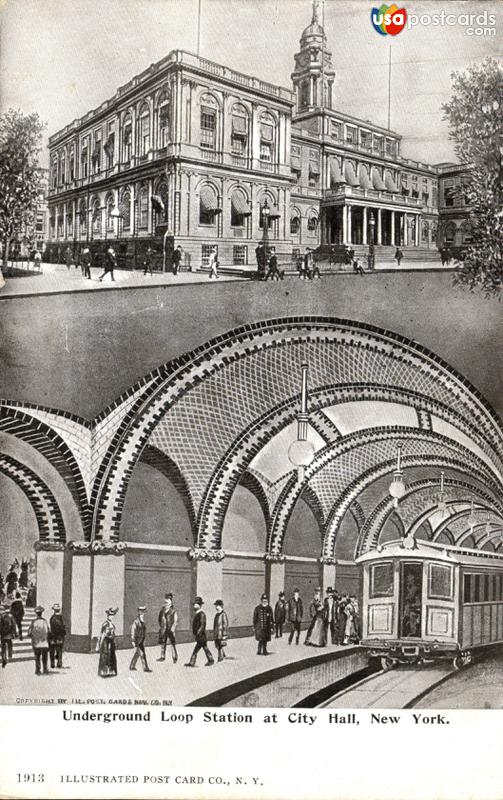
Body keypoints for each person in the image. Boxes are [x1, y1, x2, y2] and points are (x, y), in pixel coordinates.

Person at [186, 597, 214, 667]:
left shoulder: (201, 614)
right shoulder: (198, 614)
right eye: (194, 604)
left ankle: (192, 662)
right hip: (201, 636)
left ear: (199, 605)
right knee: (205, 648)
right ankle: (211, 660)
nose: (194, 606)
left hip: (201, 636)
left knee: (197, 650)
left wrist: (198, 634)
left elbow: (202, 626)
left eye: (195, 604)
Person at [28, 605, 50, 675]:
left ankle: (38, 670)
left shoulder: (33, 622)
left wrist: (33, 636)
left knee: (37, 657)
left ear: (36, 613)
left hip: (36, 642)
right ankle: (45, 669)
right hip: (44, 642)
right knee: (45, 657)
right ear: (41, 613)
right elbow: (48, 631)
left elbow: (29, 632)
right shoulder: (45, 621)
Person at [97, 607, 118, 677]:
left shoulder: (113, 625)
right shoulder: (105, 624)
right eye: (110, 615)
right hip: (105, 642)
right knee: (105, 656)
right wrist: (99, 645)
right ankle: (104, 671)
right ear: (108, 616)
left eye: (112, 616)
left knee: (111, 656)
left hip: (111, 642)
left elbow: (113, 634)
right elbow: (102, 635)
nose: (111, 617)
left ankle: (111, 671)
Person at [130, 606, 152, 672]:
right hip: (137, 640)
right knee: (142, 654)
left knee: (137, 654)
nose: (142, 614)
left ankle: (132, 666)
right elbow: (132, 631)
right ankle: (145, 668)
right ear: (139, 613)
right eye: (141, 612)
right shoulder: (136, 622)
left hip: (141, 641)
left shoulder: (143, 622)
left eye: (143, 612)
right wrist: (133, 640)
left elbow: (144, 631)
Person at [157, 593, 178, 663]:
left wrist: (173, 628)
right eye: (165, 600)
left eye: (168, 600)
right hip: (164, 629)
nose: (166, 602)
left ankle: (174, 657)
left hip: (170, 629)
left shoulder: (173, 611)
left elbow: (175, 621)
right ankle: (162, 656)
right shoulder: (162, 611)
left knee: (172, 643)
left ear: (171, 602)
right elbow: (159, 619)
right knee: (163, 642)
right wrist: (162, 626)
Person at [48, 603, 66, 668]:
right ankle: (59, 663)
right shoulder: (61, 618)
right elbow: (63, 627)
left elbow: (51, 626)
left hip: (53, 636)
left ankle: (52, 663)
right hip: (60, 636)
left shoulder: (52, 618)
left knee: (52, 650)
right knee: (59, 650)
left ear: (54, 610)